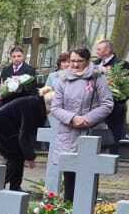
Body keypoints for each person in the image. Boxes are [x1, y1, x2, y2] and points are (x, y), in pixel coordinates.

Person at [47, 48, 113, 201]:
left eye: (79, 61)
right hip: (68, 133)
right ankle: (68, 209)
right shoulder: (63, 79)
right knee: (69, 176)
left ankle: (88, 208)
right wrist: (73, 118)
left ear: (87, 61)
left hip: (90, 131)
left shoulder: (97, 77)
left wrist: (87, 119)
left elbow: (107, 104)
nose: (75, 65)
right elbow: (55, 107)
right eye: (72, 61)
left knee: (88, 177)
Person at [0, 73, 48, 191]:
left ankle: (15, 187)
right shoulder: (33, 105)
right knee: (14, 157)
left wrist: (27, 154)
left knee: (17, 156)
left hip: (3, 130)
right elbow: (25, 134)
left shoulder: (34, 102)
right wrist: (30, 156)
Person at [94, 39, 129, 154]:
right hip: (95, 105)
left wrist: (107, 72)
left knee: (114, 134)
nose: (96, 51)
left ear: (108, 50)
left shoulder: (121, 64)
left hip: (114, 106)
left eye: (99, 49)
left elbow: (124, 86)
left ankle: (112, 157)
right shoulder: (94, 63)